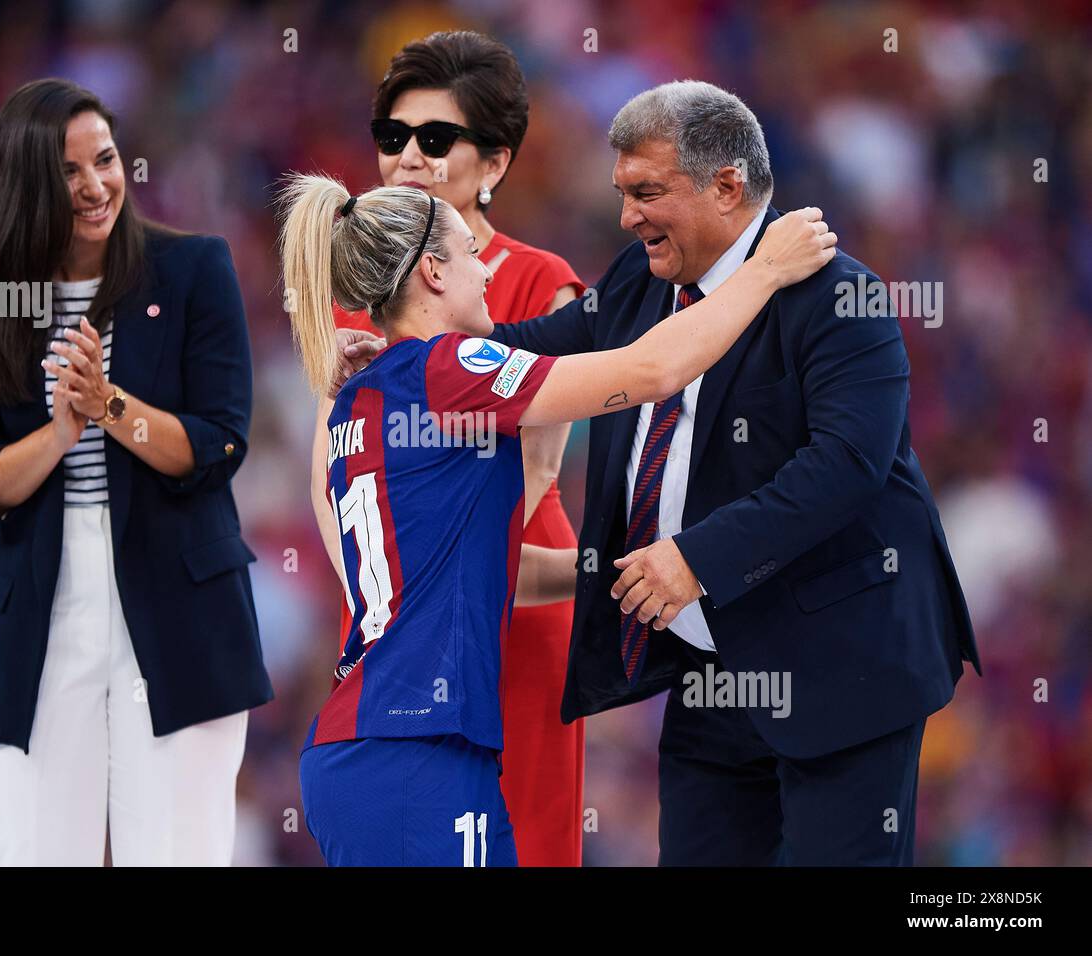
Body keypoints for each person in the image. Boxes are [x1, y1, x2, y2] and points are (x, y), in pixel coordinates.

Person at [342, 79, 982, 866]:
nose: (626, 216)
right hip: (709, 671)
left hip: (843, 668)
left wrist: (695, 559)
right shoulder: (642, 279)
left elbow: (847, 466)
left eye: (646, 191)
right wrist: (411, 359)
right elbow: (536, 348)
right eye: (621, 192)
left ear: (726, 185)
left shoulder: (840, 295)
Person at [279, 170, 835, 866]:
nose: (486, 271)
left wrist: (618, 568)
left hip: (372, 746)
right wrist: (764, 270)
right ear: (430, 271)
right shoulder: (447, 368)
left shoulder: (362, 399)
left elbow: (483, 573)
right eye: (470, 255)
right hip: (415, 748)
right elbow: (653, 371)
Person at [0, 78, 272, 866]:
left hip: (181, 607)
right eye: (68, 171)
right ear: (25, 184)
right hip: (42, 612)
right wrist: (60, 432)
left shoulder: (193, 269)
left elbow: (222, 442)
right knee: (29, 852)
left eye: (107, 160)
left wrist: (109, 405)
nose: (96, 186)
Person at [309, 30, 587, 865]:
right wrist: (380, 607)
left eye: (437, 140)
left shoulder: (543, 279)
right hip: (403, 623)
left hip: (515, 598)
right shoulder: (359, 294)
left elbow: (536, 470)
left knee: (529, 836)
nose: (408, 159)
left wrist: (430, 590)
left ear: (495, 164)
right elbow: (330, 479)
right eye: (393, 138)